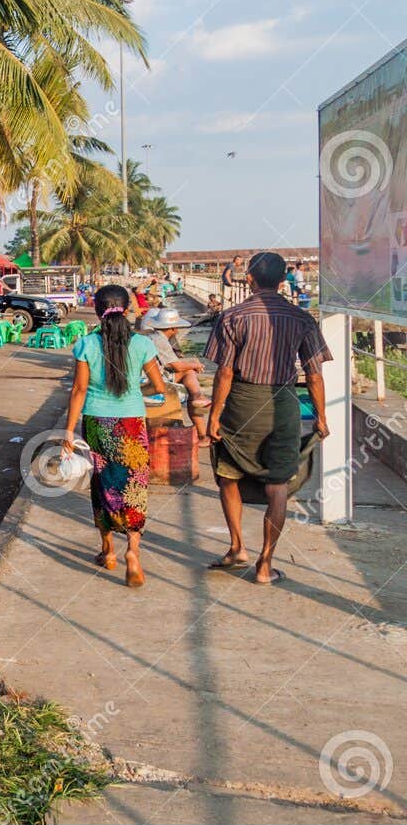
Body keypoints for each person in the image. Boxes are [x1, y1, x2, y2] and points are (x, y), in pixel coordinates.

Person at [205, 251, 331, 585]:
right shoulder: (301, 319)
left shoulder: (233, 317)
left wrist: (214, 416)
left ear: (249, 278)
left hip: (241, 406)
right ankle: (265, 564)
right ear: (282, 280)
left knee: (228, 475)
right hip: (283, 406)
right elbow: (314, 376)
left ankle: (236, 547)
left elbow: (225, 373)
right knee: (278, 485)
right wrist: (321, 417)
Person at [63, 284, 169, 589]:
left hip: (97, 422)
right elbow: (159, 387)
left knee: (103, 482)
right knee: (134, 484)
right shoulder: (142, 344)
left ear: (97, 311)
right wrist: (136, 390)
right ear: (127, 309)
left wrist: (68, 430)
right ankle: (132, 553)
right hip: (132, 422)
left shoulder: (85, 344)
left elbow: (79, 391)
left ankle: (108, 551)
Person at [140, 307, 209, 437]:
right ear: (173, 328)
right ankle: (197, 395)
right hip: (152, 380)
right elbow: (176, 366)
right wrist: (195, 365)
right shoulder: (159, 339)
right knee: (188, 371)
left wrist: (192, 363)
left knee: (190, 367)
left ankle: (197, 397)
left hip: (148, 375)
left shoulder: (152, 336)